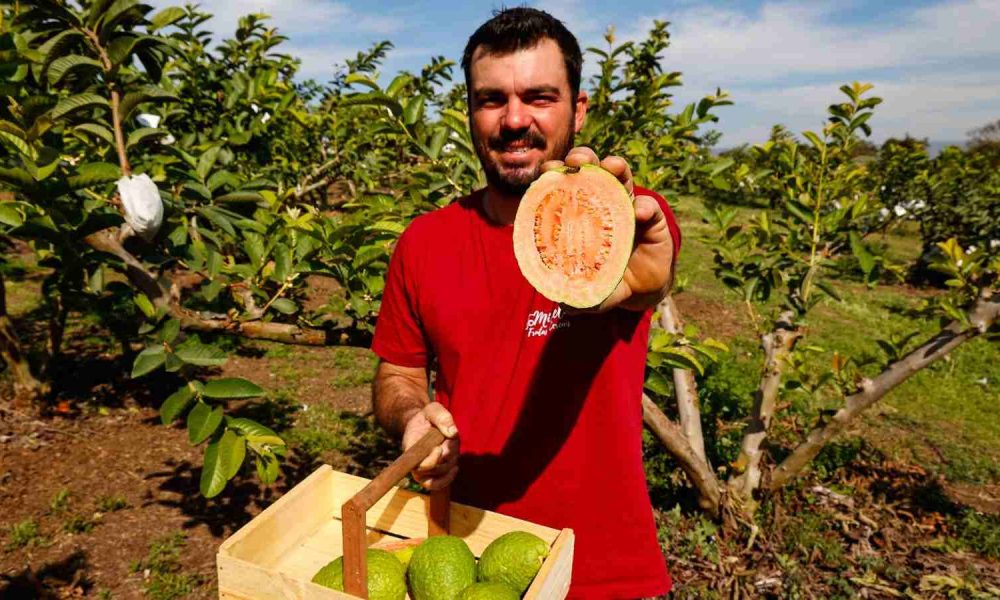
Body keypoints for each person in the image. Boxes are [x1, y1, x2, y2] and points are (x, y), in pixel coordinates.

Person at [371, 7, 681, 598]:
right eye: (491, 99)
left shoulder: (630, 224)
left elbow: (645, 282)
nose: (514, 119)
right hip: (466, 560)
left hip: (605, 571)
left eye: (539, 96)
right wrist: (410, 416)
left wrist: (631, 287)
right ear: (469, 112)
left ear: (578, 109)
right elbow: (399, 370)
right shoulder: (423, 242)